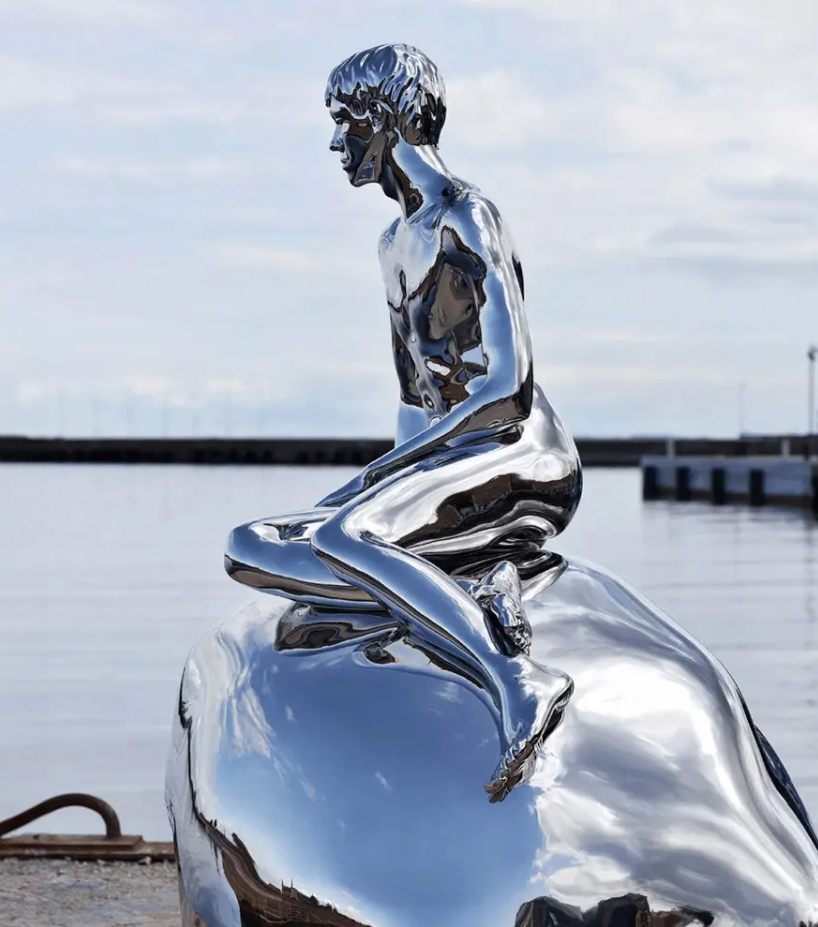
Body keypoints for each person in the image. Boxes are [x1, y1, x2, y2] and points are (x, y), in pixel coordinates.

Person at [225, 44, 582, 801]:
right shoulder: (391, 246)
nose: (335, 142)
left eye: (345, 121)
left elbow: (508, 388)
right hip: (445, 464)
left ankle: (516, 679)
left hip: (518, 453)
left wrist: (382, 481)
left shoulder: (468, 217)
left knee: (344, 539)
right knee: (251, 546)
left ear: (387, 120)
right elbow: (414, 400)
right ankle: (471, 577)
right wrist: (385, 488)